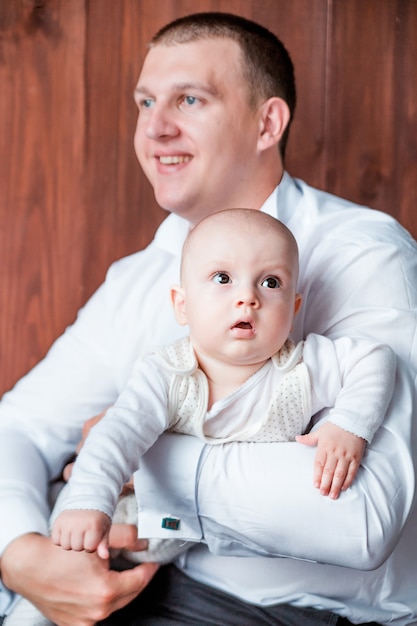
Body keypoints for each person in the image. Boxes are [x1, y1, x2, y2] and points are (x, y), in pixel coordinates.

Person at [0, 10, 416, 626]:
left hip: (313, 613)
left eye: (188, 99)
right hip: (163, 589)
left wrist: (139, 457)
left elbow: (360, 519)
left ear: (266, 123)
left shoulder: (363, 252)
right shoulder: (143, 275)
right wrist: (19, 552)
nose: (154, 129)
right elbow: (22, 425)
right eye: (144, 103)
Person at [49, 209, 395, 561]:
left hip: (194, 545)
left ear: (293, 309)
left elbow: (375, 359)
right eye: (222, 278)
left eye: (271, 282)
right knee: (61, 567)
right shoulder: (168, 373)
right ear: (182, 306)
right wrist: (86, 501)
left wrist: (349, 425)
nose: (247, 296)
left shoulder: (302, 368)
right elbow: (116, 433)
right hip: (113, 511)